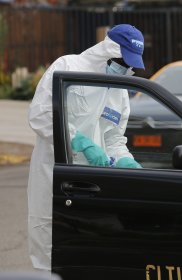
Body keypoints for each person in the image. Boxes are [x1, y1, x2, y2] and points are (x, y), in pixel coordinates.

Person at [27, 24, 145, 271]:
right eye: (123, 61)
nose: (126, 68)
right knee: (49, 247)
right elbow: (40, 116)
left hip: (94, 183)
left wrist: (126, 161)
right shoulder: (67, 68)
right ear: (108, 50)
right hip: (56, 176)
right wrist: (79, 141)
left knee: (89, 253)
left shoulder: (119, 91)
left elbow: (114, 139)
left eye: (130, 64)